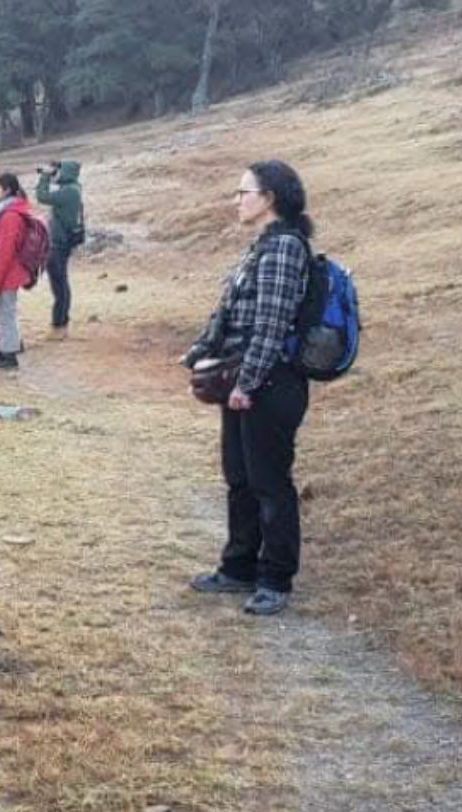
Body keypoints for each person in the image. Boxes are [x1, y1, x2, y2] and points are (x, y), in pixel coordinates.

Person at [185, 160, 314, 616]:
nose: (237, 200)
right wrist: (199, 352)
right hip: (245, 380)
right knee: (239, 476)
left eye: (244, 192)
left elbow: (272, 325)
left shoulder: (283, 249)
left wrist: (249, 382)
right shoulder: (262, 247)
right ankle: (238, 567)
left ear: (270, 198)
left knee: (268, 481)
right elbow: (231, 313)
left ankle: (276, 578)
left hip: (270, 382)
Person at [0, 173, 33, 370]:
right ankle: (5, 350)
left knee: (6, 313)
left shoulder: (10, 216)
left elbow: (4, 251)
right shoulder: (10, 211)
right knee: (4, 311)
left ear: (7, 190)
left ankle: (8, 355)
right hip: (10, 271)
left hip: (8, 273)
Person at [35, 160, 84, 340]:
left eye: (59, 171)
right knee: (61, 283)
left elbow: (42, 196)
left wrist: (45, 176)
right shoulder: (73, 188)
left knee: (59, 284)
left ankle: (59, 325)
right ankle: (61, 324)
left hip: (58, 244)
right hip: (61, 242)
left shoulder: (69, 191)